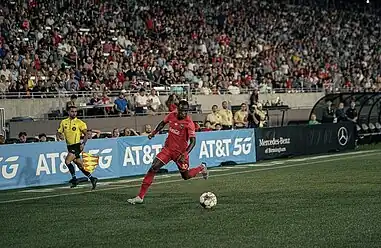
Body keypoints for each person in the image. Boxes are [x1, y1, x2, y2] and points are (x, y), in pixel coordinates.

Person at [127, 100, 208, 205]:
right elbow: (162, 123)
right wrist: (153, 133)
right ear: (178, 109)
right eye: (182, 111)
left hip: (180, 154)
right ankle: (140, 196)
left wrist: (185, 154)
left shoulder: (189, 123)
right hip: (168, 149)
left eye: (186, 111)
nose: (184, 113)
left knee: (186, 176)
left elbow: (193, 142)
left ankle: (201, 167)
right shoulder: (171, 115)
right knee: (153, 168)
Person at [56, 106, 98, 189]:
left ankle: (74, 179)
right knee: (80, 166)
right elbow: (59, 132)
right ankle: (92, 178)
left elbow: (86, 134)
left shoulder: (80, 122)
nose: (74, 113)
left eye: (75, 111)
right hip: (69, 146)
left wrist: (83, 144)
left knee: (67, 161)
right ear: (68, 112)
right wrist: (59, 136)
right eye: (72, 111)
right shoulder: (64, 122)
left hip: (76, 145)